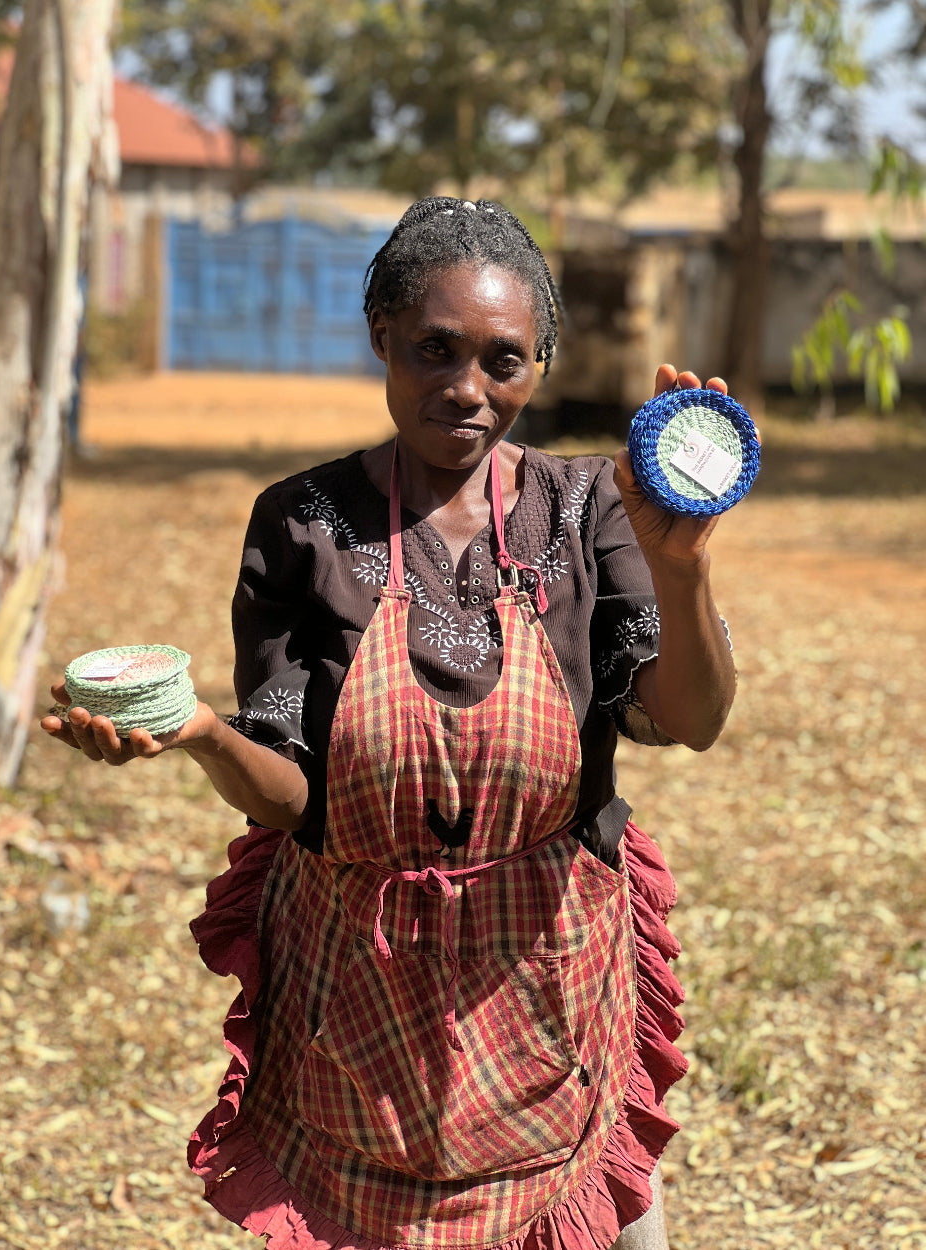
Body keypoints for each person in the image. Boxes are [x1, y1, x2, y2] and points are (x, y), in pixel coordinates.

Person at [41, 196, 736, 1250]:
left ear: (540, 364)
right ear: (381, 339)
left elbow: (687, 717)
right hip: (356, 994)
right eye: (433, 350)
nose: (466, 388)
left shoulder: (591, 505)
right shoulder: (303, 523)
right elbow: (290, 792)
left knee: (585, 1217)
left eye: (503, 360)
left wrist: (679, 566)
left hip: (551, 973)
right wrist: (196, 733)